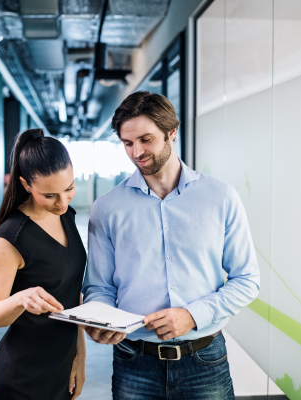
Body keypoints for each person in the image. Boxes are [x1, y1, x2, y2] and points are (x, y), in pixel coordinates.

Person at [82, 91, 260, 399]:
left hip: (204, 361)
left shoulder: (221, 197)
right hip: (133, 362)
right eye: (127, 143)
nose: (136, 152)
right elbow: (99, 286)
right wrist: (101, 316)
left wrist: (193, 315)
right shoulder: (107, 208)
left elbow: (248, 280)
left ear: (171, 132)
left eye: (145, 139)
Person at [0, 129, 87, 400]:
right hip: (23, 377)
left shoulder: (67, 216)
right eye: (50, 195)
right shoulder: (11, 239)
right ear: (26, 185)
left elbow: (71, 290)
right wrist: (21, 299)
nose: (62, 203)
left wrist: (80, 355)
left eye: (69, 188)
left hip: (61, 365)